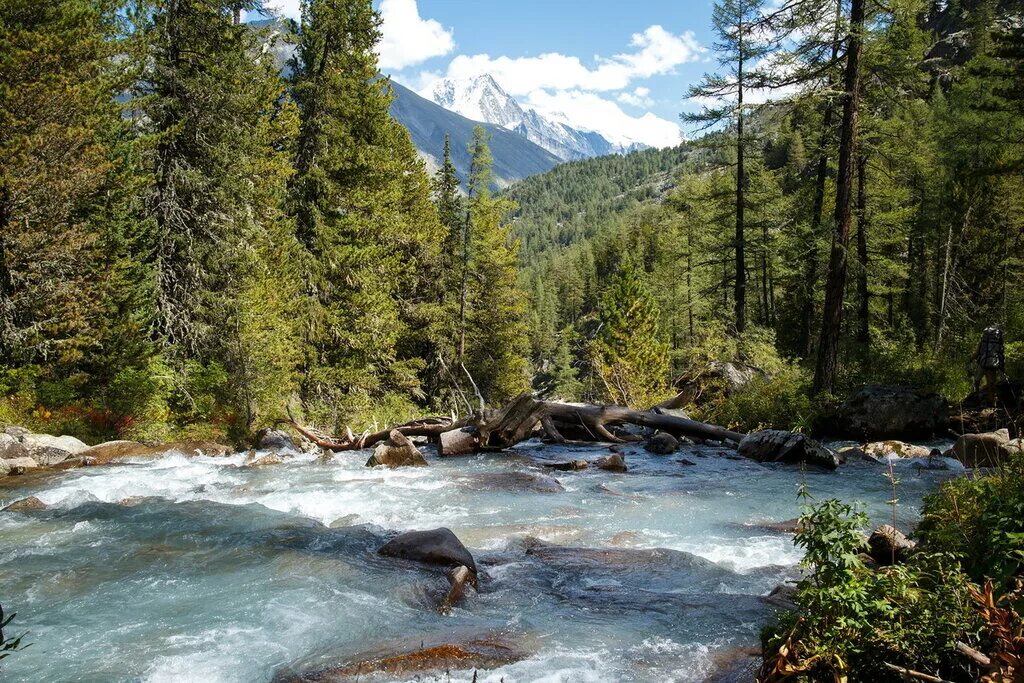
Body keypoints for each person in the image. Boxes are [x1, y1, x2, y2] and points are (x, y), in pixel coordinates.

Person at [974, 325, 1005, 406]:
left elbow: (977, 353)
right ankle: (992, 401)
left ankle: (977, 396)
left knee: (977, 380)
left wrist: (971, 359)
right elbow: (1001, 353)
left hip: (983, 363)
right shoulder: (998, 343)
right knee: (991, 383)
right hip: (993, 363)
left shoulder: (983, 343)